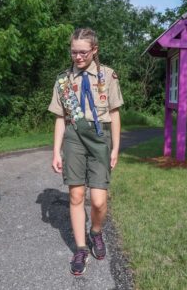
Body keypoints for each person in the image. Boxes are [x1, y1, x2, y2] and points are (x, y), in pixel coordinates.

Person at [48, 28, 123, 276]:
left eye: (83, 52)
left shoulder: (108, 75)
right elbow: (60, 117)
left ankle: (96, 231)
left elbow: (114, 113)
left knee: (99, 200)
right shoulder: (63, 80)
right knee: (77, 195)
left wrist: (115, 148)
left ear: (94, 50)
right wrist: (56, 151)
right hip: (74, 138)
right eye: (73, 52)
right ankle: (80, 248)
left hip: (100, 138)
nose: (78, 57)